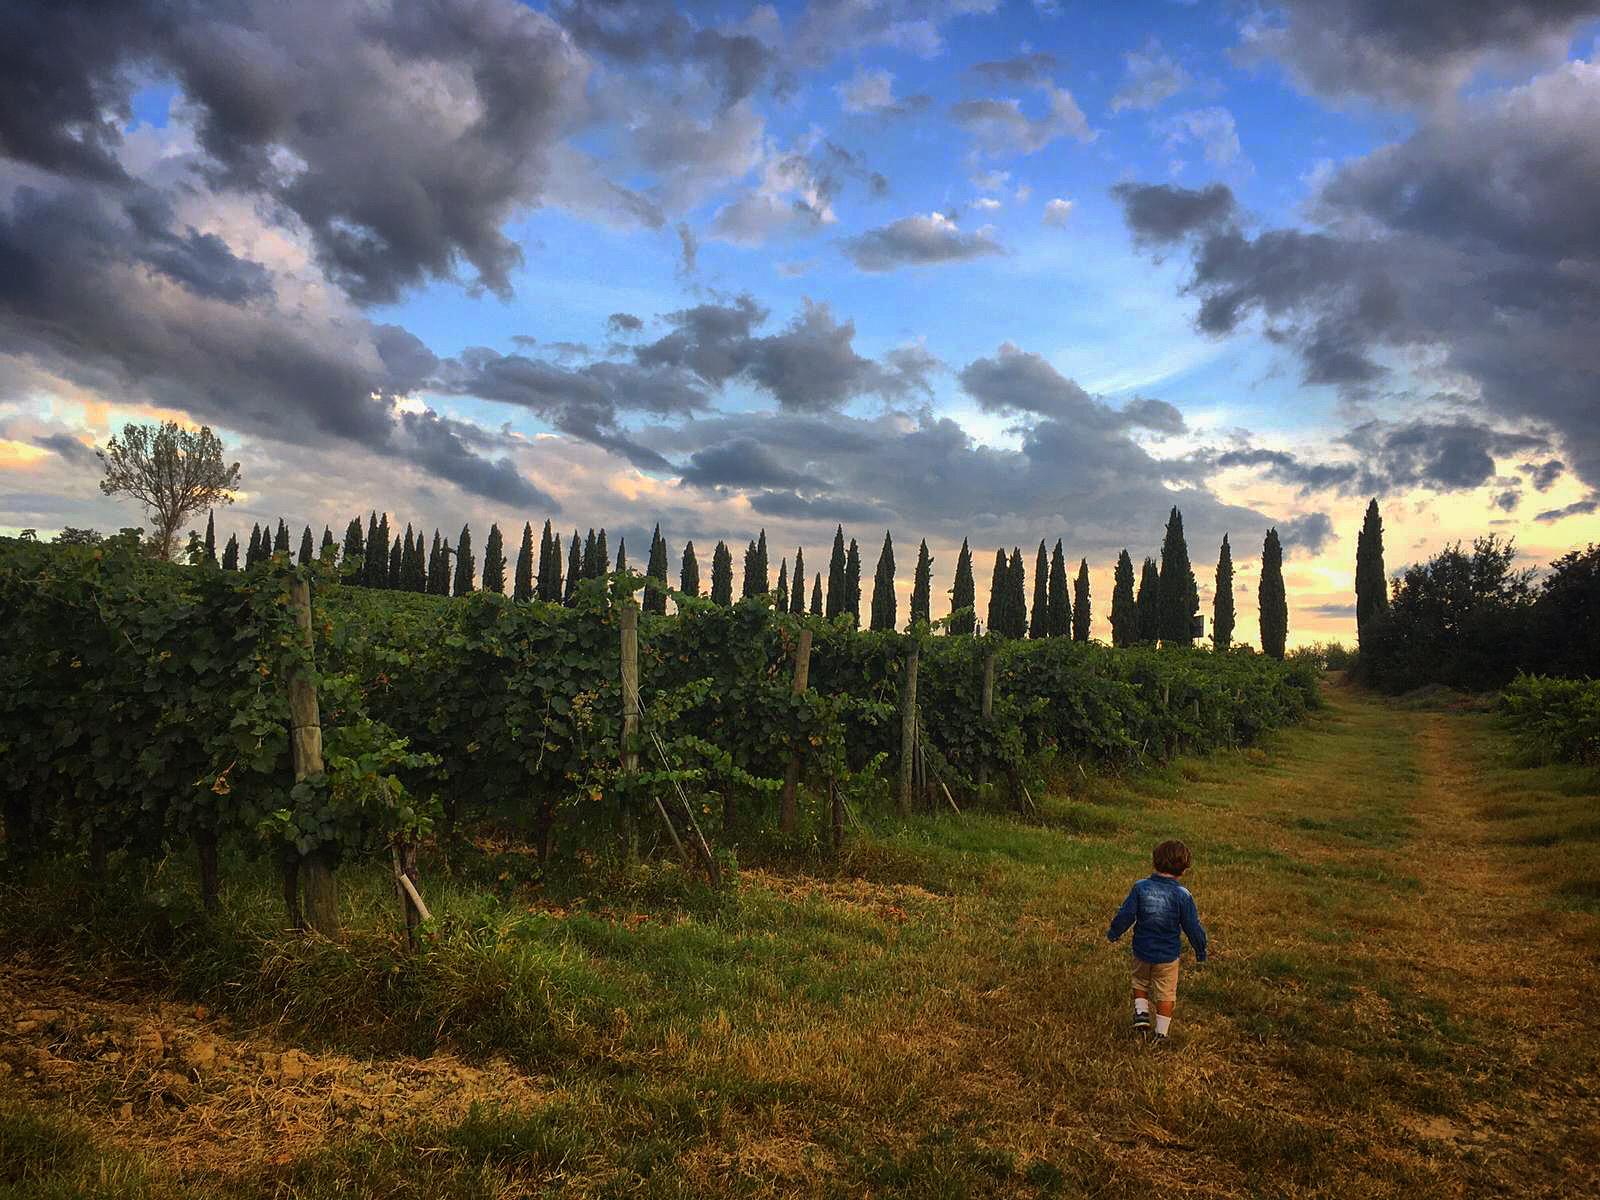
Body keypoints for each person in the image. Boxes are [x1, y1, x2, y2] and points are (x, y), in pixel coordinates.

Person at [1106, 839, 1208, 1043]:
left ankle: (1142, 1013)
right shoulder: (1183, 895)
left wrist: (1114, 932)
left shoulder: (1140, 887)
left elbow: (1126, 914)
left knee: (1139, 980)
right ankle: (1161, 1033)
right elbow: (1192, 926)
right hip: (1168, 956)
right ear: (1184, 869)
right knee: (1166, 992)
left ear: (1154, 862)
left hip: (1141, 949)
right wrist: (1200, 949)